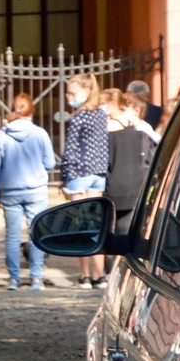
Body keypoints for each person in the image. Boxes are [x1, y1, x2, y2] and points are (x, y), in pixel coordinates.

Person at [0, 91, 57, 289]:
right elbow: (50, 162)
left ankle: (13, 279)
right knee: (36, 234)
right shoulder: (40, 133)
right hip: (36, 190)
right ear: (31, 112)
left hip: (9, 191)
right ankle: (36, 277)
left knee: (12, 236)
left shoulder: (1, 136)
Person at [102, 86, 161, 281]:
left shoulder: (131, 132)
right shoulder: (140, 132)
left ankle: (118, 274)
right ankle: (126, 273)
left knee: (117, 236)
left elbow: (107, 163)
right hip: (135, 188)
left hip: (116, 189)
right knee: (127, 233)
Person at [59, 76, 111, 287]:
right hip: (98, 174)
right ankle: (100, 275)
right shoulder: (101, 115)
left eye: (72, 93)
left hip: (79, 174)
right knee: (95, 225)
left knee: (80, 225)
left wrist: (64, 176)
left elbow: (71, 150)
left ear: (86, 91)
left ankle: (84, 275)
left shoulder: (78, 118)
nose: (68, 97)